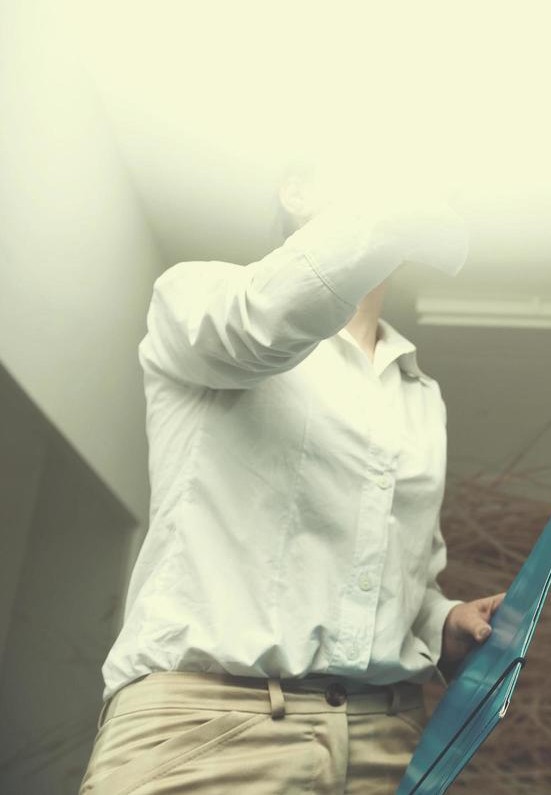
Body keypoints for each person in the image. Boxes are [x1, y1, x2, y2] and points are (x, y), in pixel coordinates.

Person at [80, 170, 504, 794]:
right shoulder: (199, 295)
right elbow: (265, 321)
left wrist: (441, 623)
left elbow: (403, 572)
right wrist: (400, 201)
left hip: (384, 739)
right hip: (206, 734)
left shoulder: (421, 394)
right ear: (296, 192)